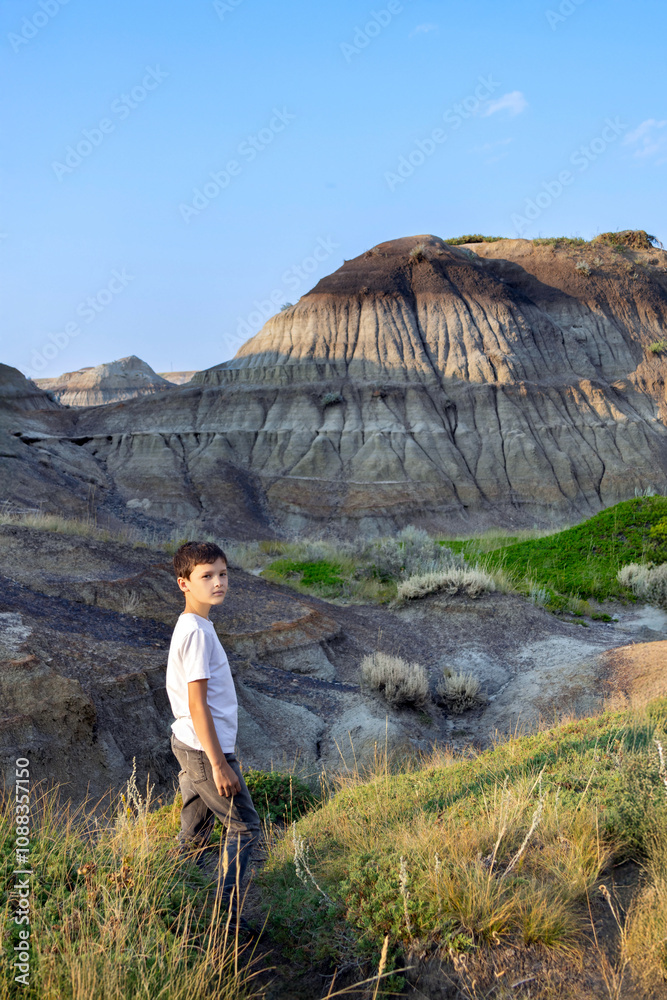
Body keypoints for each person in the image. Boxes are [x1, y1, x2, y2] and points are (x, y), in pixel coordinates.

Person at [166, 540, 260, 927]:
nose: (218, 582)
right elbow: (197, 704)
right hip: (207, 751)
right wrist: (220, 764)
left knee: (196, 832)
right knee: (245, 826)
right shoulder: (198, 633)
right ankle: (227, 922)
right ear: (183, 583)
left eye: (222, 574)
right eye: (206, 576)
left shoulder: (195, 625)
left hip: (192, 745)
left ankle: (165, 901)